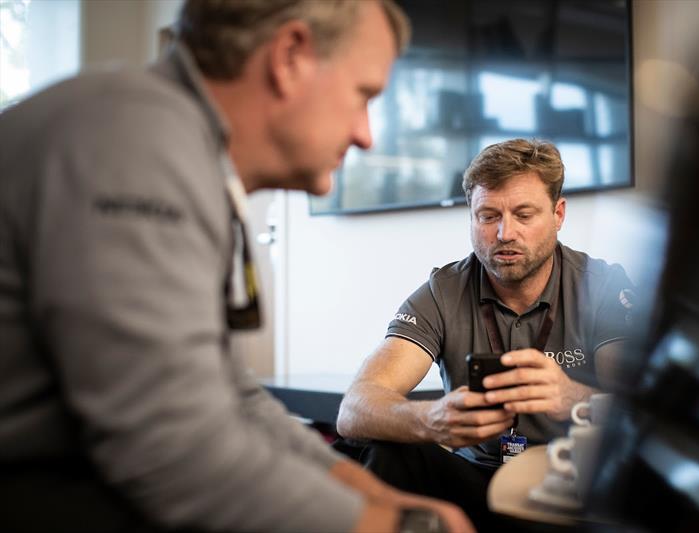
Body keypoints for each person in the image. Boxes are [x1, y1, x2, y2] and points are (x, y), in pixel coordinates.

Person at [0, 1, 475, 532]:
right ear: (290, 56)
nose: (367, 135)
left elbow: (235, 396)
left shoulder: (179, 149)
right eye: (363, 95)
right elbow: (173, 449)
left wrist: (377, 498)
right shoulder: (138, 146)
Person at [337, 138, 636, 528]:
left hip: (566, 488)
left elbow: (644, 414)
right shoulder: (442, 290)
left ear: (559, 214)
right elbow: (354, 408)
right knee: (384, 453)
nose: (504, 233)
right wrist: (431, 418)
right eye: (488, 216)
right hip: (474, 483)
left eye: (524, 215)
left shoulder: (603, 286)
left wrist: (573, 399)